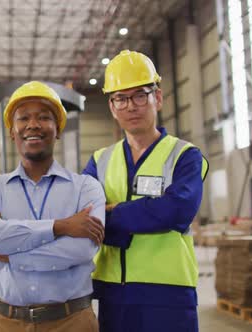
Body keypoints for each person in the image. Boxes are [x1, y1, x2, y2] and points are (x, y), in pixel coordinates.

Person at [84, 50, 209, 332]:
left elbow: (177, 211)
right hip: (114, 293)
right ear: (112, 107)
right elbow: (84, 217)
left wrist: (113, 213)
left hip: (169, 293)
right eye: (121, 98)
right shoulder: (99, 160)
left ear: (158, 98)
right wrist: (148, 212)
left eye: (140, 95)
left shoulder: (185, 155)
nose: (131, 106)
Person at [0, 81, 105, 332]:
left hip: (71, 322)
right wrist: (60, 227)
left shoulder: (86, 187)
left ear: (57, 129)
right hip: (2, 322)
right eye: (23, 118)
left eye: (44, 117)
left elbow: (81, 249)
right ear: (12, 131)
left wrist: (10, 252)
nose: (33, 124)